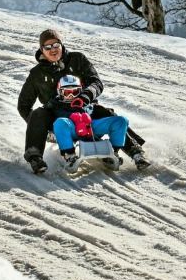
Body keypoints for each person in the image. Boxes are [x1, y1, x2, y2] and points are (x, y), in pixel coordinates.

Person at [18, 28, 149, 174]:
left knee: (108, 114)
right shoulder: (37, 74)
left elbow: (96, 82)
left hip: (84, 108)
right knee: (38, 113)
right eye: (47, 47)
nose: (53, 50)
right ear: (42, 50)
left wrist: (85, 96)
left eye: (56, 45)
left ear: (61, 45)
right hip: (56, 115)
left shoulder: (77, 60)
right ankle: (35, 157)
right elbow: (23, 106)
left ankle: (135, 152)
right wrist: (41, 130)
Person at [50, 75, 129, 173]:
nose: (71, 96)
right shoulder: (55, 103)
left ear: (80, 91)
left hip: (91, 126)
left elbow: (96, 109)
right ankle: (69, 155)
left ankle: (113, 151)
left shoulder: (85, 99)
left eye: (75, 92)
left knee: (120, 120)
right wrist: (74, 117)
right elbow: (53, 117)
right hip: (72, 129)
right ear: (59, 92)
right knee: (60, 122)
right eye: (67, 93)